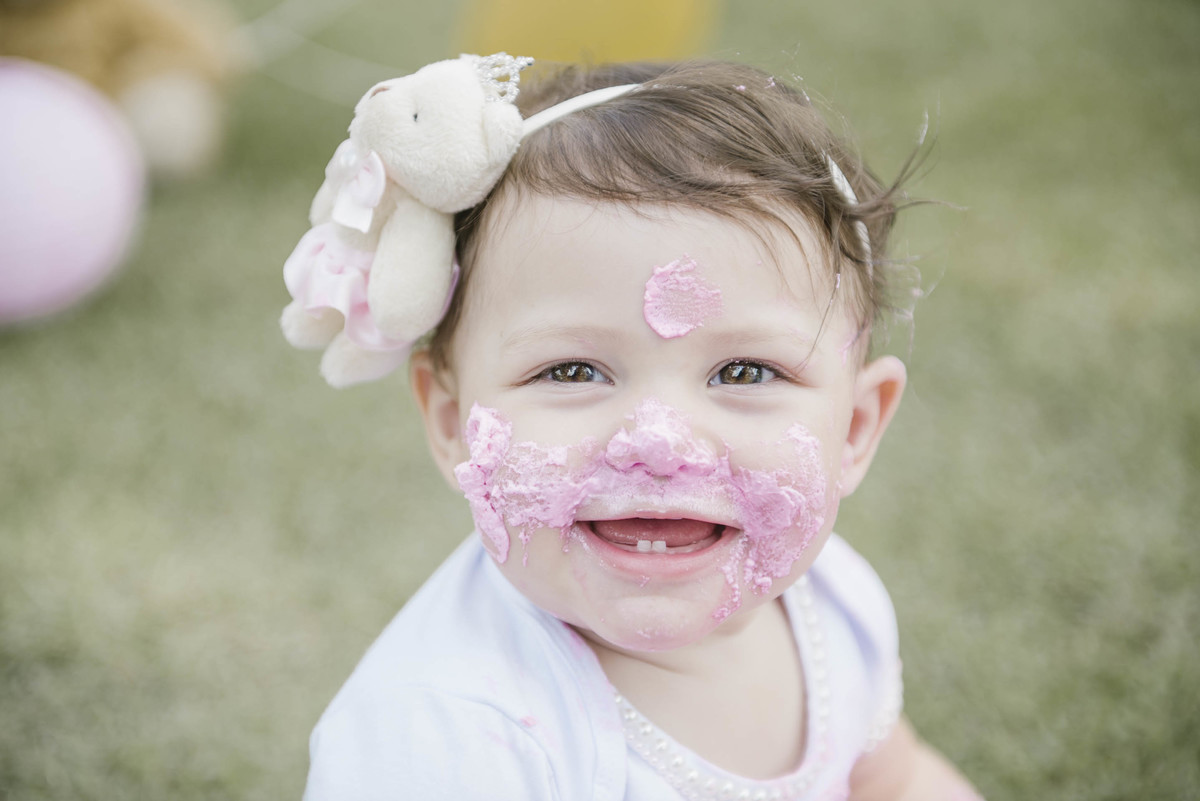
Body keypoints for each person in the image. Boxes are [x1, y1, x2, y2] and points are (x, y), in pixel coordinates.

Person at [300, 58, 983, 800]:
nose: (659, 443)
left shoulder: (835, 602)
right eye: (572, 371)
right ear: (450, 423)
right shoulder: (445, 741)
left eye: (744, 372)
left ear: (854, 428)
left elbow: (896, 780)